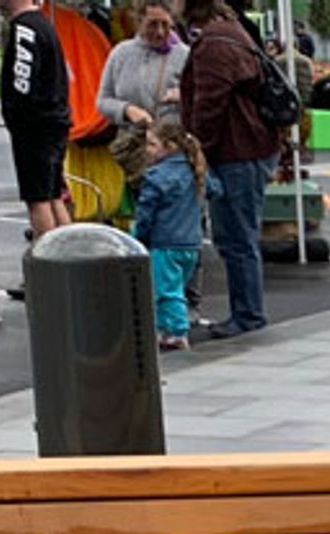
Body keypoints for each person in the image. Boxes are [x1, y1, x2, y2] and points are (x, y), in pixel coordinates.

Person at [181, 0, 278, 335]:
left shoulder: (214, 42)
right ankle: (247, 312)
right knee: (240, 236)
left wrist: (196, 147)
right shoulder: (229, 30)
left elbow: (210, 103)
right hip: (249, 146)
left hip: (238, 149)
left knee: (236, 238)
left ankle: (248, 315)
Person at [2, 0, 74, 239]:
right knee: (53, 194)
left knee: (38, 200)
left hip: (35, 127)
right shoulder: (43, 24)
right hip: (53, 122)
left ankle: (48, 265)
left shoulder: (25, 29)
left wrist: (17, 118)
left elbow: (22, 84)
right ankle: (67, 257)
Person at [132, 116, 204, 350]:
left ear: (169, 147)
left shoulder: (156, 177)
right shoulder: (195, 170)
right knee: (176, 288)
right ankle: (166, 328)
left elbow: (145, 214)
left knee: (167, 291)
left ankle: (176, 332)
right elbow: (215, 189)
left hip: (165, 243)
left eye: (152, 144)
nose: (147, 150)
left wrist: (137, 238)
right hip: (192, 243)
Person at [99, 1, 192, 134]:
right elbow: (103, 101)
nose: (160, 32)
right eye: (152, 24)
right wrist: (127, 110)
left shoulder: (185, 56)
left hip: (170, 146)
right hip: (130, 145)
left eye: (165, 24)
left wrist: (184, 95)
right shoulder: (120, 54)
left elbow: (201, 99)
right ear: (138, 22)